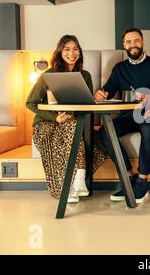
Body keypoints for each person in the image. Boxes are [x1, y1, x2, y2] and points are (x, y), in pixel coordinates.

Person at [26, 35, 107, 203]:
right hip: (47, 124)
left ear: (80, 52)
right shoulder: (48, 75)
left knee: (100, 142)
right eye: (67, 49)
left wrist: (94, 104)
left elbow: (86, 106)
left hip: (74, 124)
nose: (72, 53)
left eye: (75, 49)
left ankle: (78, 180)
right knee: (71, 130)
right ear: (60, 52)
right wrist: (54, 117)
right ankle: (69, 186)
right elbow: (31, 103)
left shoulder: (85, 76)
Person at [95, 28, 150, 204]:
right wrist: (101, 94)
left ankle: (143, 180)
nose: (133, 45)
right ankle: (129, 177)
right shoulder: (119, 68)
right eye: (128, 42)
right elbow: (109, 89)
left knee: (148, 126)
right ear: (124, 45)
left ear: (142, 43)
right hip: (129, 116)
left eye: (136, 41)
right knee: (105, 132)